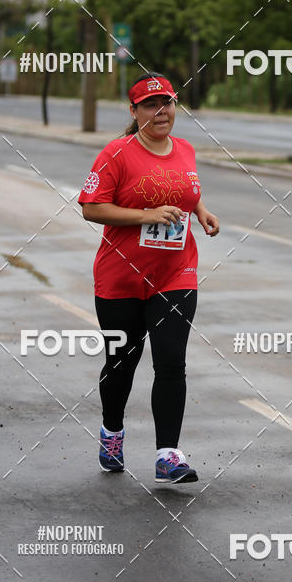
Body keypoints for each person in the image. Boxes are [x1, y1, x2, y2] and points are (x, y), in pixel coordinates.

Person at [78, 72, 219, 484]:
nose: (162, 112)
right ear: (134, 110)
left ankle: (167, 455)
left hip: (175, 273)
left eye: (169, 103)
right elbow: (90, 206)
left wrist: (201, 211)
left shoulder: (187, 150)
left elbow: (186, 190)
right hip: (120, 278)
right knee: (122, 363)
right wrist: (146, 216)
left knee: (172, 361)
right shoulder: (116, 154)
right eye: (152, 105)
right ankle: (112, 432)